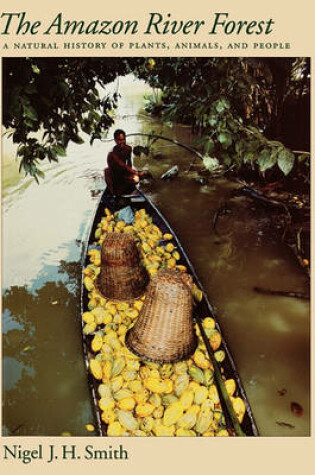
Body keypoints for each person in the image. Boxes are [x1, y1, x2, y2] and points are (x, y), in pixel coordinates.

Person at [104, 129, 148, 196]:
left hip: (124, 173)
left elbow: (129, 164)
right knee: (136, 178)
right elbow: (122, 165)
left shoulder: (128, 149)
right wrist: (137, 173)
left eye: (123, 139)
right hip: (115, 176)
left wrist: (132, 174)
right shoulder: (112, 153)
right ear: (115, 140)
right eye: (119, 140)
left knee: (142, 175)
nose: (121, 142)